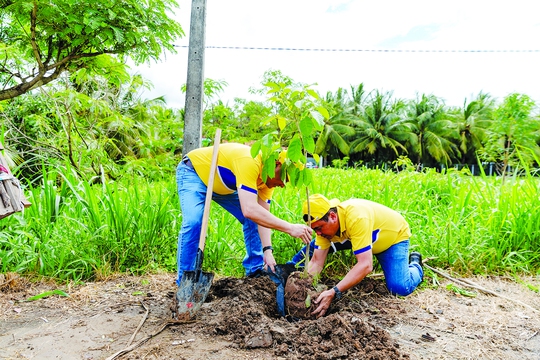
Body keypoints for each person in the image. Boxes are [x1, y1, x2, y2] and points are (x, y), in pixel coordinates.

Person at [176, 142, 313, 285]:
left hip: (222, 187)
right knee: (194, 223)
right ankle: (185, 282)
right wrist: (290, 228)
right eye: (284, 178)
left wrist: (268, 251)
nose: (283, 185)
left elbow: (262, 216)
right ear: (276, 165)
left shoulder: (267, 180)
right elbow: (249, 210)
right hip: (194, 173)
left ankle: (255, 271)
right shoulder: (250, 161)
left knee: (256, 217)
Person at [297, 194, 424, 318]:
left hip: (392, 239)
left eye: (319, 228)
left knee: (400, 287)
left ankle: (415, 265)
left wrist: (333, 292)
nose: (317, 233)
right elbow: (316, 262)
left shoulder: (357, 218)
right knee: (315, 245)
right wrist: (304, 287)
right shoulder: (324, 228)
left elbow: (366, 265)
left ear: (332, 216)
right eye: (315, 230)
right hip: (361, 239)